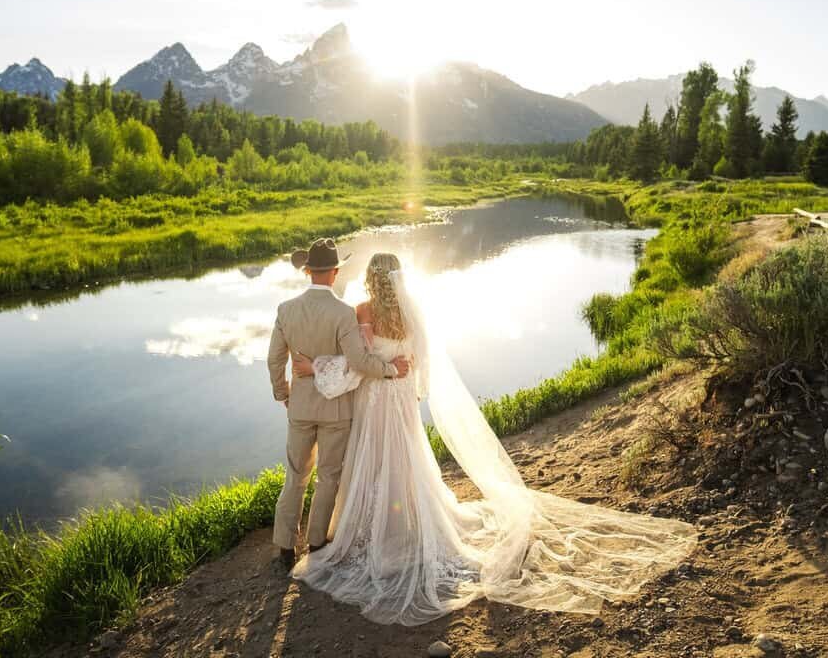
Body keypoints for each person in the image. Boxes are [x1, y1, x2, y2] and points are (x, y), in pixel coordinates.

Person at [287, 251, 697, 626]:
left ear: (371, 281)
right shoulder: (412, 315)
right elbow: (416, 360)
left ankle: (379, 528)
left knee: (374, 459)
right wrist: (403, 372)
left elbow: (360, 365)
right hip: (401, 401)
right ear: (398, 279)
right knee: (407, 458)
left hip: (377, 398)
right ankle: (406, 523)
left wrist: (316, 367)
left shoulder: (363, 310)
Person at [266, 238, 410, 572]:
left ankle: (285, 548)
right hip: (336, 411)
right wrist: (390, 370)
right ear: (333, 273)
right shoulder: (344, 312)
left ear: (307, 272)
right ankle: (317, 544)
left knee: (295, 477)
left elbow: (274, 360)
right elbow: (359, 361)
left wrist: (283, 394)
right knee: (328, 476)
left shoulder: (285, 310)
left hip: (299, 407)